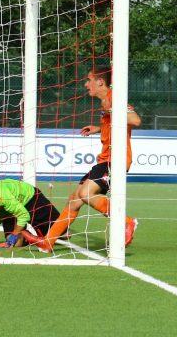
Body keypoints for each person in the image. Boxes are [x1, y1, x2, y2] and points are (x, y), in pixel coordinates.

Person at [21, 66, 142, 253]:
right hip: (104, 160)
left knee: (85, 194)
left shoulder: (113, 99)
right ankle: (48, 241)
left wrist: (114, 108)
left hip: (115, 160)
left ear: (100, 81)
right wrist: (98, 128)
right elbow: (116, 123)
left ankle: (127, 222)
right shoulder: (106, 102)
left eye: (89, 80)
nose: (86, 84)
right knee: (74, 200)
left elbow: (135, 120)